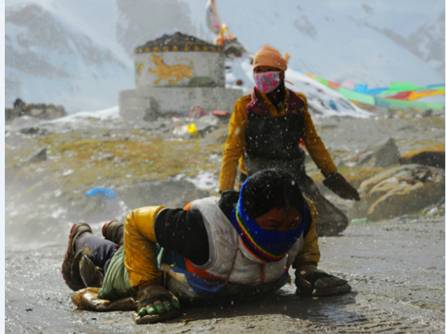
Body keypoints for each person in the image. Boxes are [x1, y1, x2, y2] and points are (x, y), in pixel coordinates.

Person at [62, 169, 351, 325]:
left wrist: (307, 268)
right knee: (114, 262)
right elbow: (136, 220)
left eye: (291, 225)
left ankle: (113, 230)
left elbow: (306, 222)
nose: (285, 234)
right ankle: (82, 237)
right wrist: (149, 288)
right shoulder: (200, 231)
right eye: (273, 226)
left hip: (178, 241)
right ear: (248, 218)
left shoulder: (302, 215)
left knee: (142, 233)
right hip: (165, 263)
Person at [219, 45, 360, 236]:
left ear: (281, 74)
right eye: (258, 71)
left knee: (335, 222)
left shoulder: (297, 105)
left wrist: (332, 175)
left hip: (293, 178)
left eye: (268, 70)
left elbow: (313, 142)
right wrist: (226, 190)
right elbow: (232, 150)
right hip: (256, 178)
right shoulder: (244, 107)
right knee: (249, 228)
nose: (263, 75)